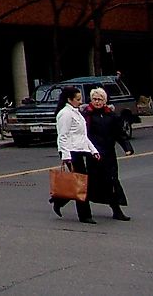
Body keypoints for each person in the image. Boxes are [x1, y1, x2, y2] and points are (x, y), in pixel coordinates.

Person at [51, 84, 101, 223]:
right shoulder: (65, 114)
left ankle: (59, 200)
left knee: (80, 183)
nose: (80, 101)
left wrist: (93, 150)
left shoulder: (76, 112)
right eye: (78, 99)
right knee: (81, 184)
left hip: (81, 150)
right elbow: (63, 136)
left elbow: (83, 136)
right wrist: (66, 156)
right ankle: (85, 215)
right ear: (69, 99)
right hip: (72, 152)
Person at [82, 86, 134, 221]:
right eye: (94, 99)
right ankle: (62, 201)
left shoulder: (111, 115)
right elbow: (82, 135)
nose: (97, 102)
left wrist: (127, 147)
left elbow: (119, 134)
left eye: (100, 99)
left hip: (109, 155)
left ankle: (117, 210)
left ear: (105, 101)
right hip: (93, 155)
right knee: (91, 183)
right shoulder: (86, 115)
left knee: (111, 181)